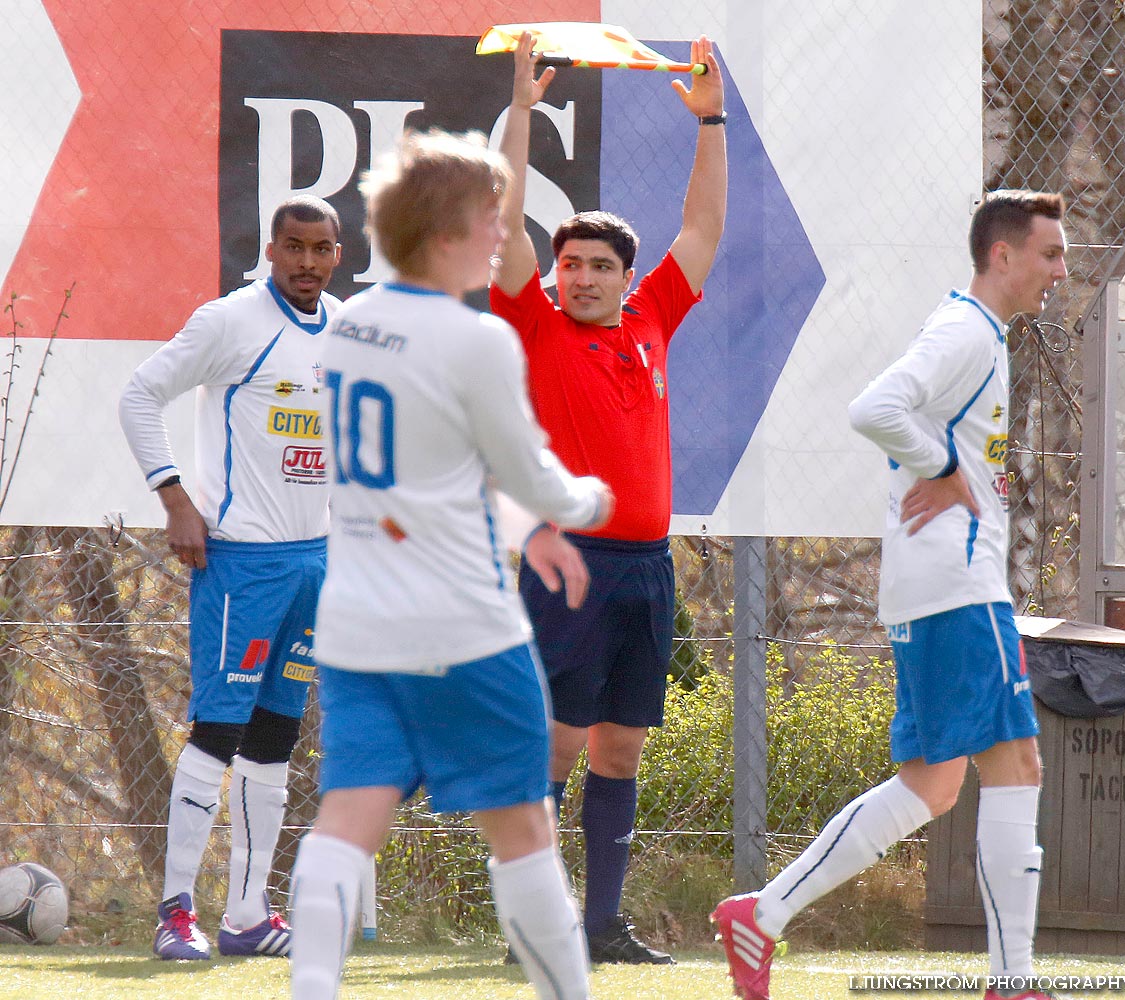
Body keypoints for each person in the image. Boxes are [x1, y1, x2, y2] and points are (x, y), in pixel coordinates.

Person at [711, 190, 1069, 1000]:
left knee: (934, 784)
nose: (1059, 270)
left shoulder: (978, 333)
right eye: (1049, 253)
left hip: (942, 585)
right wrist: (941, 469)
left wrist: (944, 467)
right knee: (1016, 765)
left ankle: (760, 915)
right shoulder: (966, 331)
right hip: (955, 587)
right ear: (1003, 254)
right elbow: (874, 406)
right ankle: (1013, 985)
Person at [287, 129, 615, 1000]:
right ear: (443, 233)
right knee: (524, 831)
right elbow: (531, 473)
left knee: (348, 817)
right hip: (464, 632)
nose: (505, 235)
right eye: (491, 219)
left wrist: (525, 528)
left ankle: (310, 988)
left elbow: (427, 473)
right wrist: (583, 505)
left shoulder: (349, 328)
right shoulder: (476, 341)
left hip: (358, 628)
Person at [490, 30, 728, 965]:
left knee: (619, 751)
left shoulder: (654, 317)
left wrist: (711, 118)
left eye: (597, 267)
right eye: (570, 264)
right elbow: (504, 226)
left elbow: (702, 231)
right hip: (570, 565)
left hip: (646, 569)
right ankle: (531, 928)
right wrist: (520, 109)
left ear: (626, 280)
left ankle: (603, 926)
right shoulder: (534, 321)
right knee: (551, 747)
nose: (578, 277)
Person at [118, 194, 342, 960]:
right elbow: (139, 394)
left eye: (321, 248)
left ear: (337, 255)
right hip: (242, 563)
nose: (308, 262)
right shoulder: (230, 320)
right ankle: (175, 912)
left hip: (315, 564)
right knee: (219, 730)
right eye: (295, 247)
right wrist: (176, 498)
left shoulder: (344, 329)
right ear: (272, 250)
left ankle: (247, 915)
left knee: (278, 734)